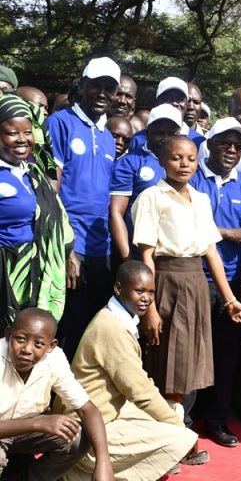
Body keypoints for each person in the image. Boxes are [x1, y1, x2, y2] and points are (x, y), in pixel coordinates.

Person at [131, 136, 241, 464]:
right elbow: (147, 255)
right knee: (169, 363)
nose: (184, 164)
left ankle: (179, 433)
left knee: (192, 363)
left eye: (191, 158)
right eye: (176, 158)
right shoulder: (152, 197)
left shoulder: (201, 198)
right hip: (166, 281)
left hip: (196, 283)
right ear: (161, 161)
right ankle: (169, 441)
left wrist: (229, 299)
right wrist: (150, 307)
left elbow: (211, 251)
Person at [55, 261, 198, 480]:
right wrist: (183, 432)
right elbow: (140, 392)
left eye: (151, 292)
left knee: (175, 410)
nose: (146, 298)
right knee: (180, 436)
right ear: (118, 288)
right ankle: (80, 471)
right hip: (85, 431)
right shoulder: (111, 328)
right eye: (139, 291)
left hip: (104, 413)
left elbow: (140, 386)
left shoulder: (116, 317)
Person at [190, 117, 241, 448]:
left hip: (230, 282)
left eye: (238, 145)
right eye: (224, 143)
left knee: (226, 355)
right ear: (210, 145)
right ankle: (186, 418)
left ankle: (217, 418)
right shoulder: (191, 179)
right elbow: (188, 226)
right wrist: (230, 233)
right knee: (192, 352)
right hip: (193, 278)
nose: (232, 150)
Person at [46, 57, 121, 359]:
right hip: (70, 246)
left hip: (100, 248)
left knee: (92, 333)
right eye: (96, 85)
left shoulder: (108, 137)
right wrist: (65, 249)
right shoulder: (59, 123)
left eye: (109, 88)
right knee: (66, 331)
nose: (102, 93)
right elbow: (50, 190)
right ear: (82, 85)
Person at [0, 308, 112, 480]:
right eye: (20, 339)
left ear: (51, 346)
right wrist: (36, 423)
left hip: (26, 432)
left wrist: (103, 462)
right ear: (8, 335)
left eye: (38, 344)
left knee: (77, 437)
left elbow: (87, 409)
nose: (27, 349)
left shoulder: (54, 359)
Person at [0, 95, 73, 331]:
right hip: (6, 277)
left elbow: (57, 217)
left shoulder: (34, 174)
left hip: (36, 276)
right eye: (12, 133)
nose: (22, 139)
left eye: (27, 132)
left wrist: (68, 253)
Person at [109, 104, 181, 264]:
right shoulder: (129, 162)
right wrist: (128, 260)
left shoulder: (185, 165)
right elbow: (116, 213)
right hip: (138, 255)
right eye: (160, 133)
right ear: (148, 132)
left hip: (172, 258)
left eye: (172, 134)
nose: (166, 139)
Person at [128, 77, 205, 150]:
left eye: (180, 99)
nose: (175, 103)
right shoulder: (138, 139)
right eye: (169, 98)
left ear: (186, 103)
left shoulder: (199, 142)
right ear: (158, 102)